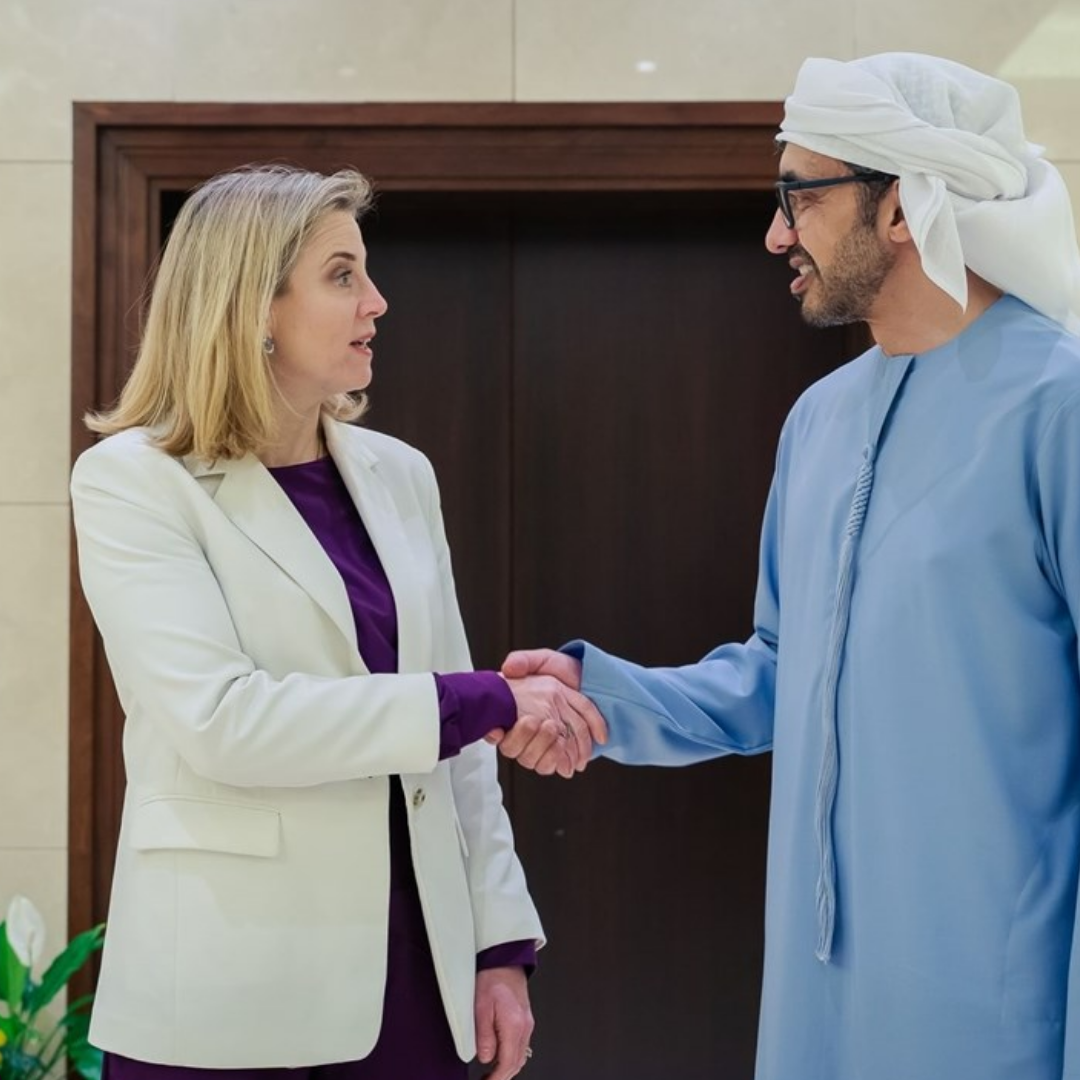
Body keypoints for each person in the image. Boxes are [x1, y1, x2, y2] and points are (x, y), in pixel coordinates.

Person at [502, 52, 1080, 1080]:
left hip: (1000, 1010)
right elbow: (784, 669)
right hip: (818, 1000)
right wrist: (606, 698)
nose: (777, 234)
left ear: (898, 207)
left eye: (800, 197)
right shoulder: (819, 421)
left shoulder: (1059, 405)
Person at [70, 164, 605, 1080]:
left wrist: (499, 946)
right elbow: (223, 721)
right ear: (253, 305)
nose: (377, 301)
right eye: (342, 274)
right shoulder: (132, 482)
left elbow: (463, 752)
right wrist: (481, 701)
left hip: (414, 977)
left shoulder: (401, 473)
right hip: (227, 989)